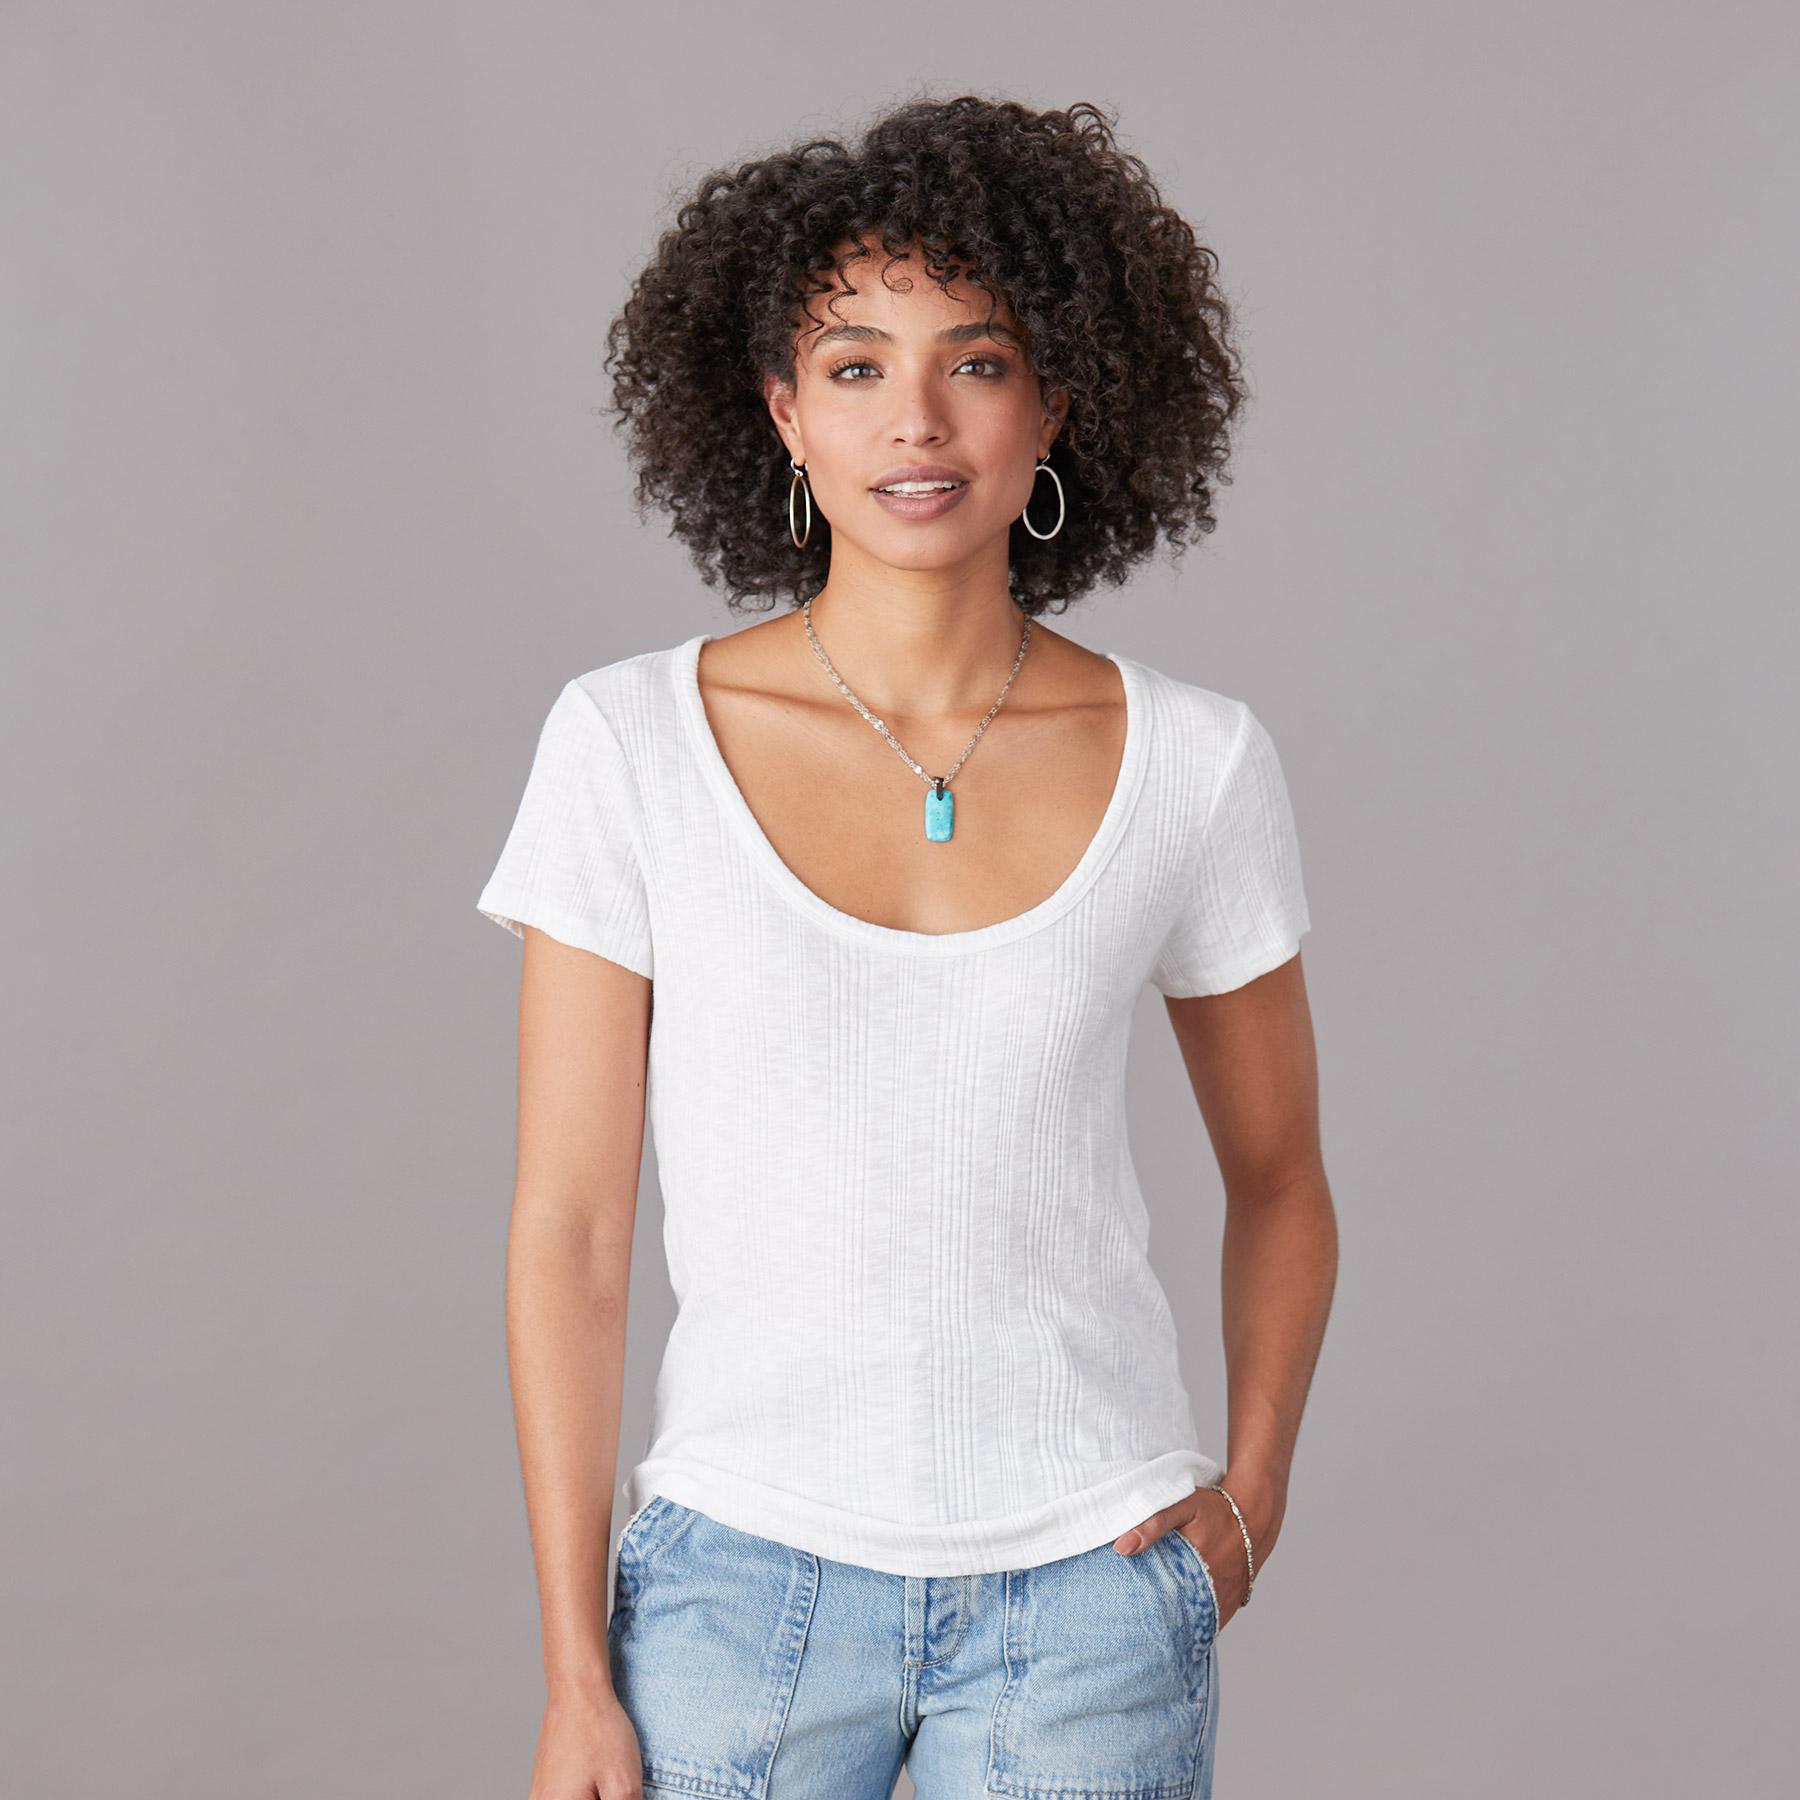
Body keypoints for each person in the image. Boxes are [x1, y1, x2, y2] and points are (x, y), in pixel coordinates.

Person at [477, 94, 1337, 1800]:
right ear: (782, 411)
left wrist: (1249, 1500)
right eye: (856, 364)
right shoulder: (629, 744)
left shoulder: (1195, 761)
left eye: (978, 361)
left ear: (1058, 401)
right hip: (734, 1597)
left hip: (1092, 1597)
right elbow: (570, 1235)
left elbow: (1283, 1180)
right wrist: (576, 1672)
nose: (917, 420)